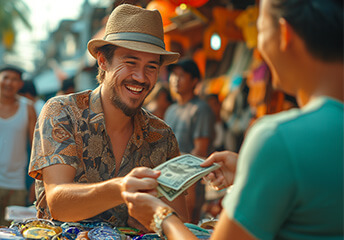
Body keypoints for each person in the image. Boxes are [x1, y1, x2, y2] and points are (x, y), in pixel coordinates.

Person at [121, 0, 343, 239]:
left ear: (284, 33)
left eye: (260, 29)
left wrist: (162, 216)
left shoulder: (276, 138)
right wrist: (249, 174)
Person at [28, 4, 188, 230]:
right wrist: (121, 190)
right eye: (130, 62)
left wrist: (151, 220)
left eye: (151, 67)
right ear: (102, 61)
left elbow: (180, 219)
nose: (141, 77)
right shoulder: (62, 112)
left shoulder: (162, 136)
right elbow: (58, 203)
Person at [164, 58, 216, 224]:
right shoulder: (170, 110)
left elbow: (200, 150)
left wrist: (178, 172)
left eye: (182, 75)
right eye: (173, 75)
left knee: (188, 225)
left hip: (191, 180)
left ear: (194, 81)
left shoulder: (200, 109)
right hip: (169, 178)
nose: (176, 79)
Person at [0, 66, 36, 225]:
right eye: (5, 77)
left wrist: (37, 182)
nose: (9, 82)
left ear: (20, 84)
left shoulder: (27, 108)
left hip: (17, 184)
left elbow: (37, 146)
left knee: (12, 233)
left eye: (14, 79)